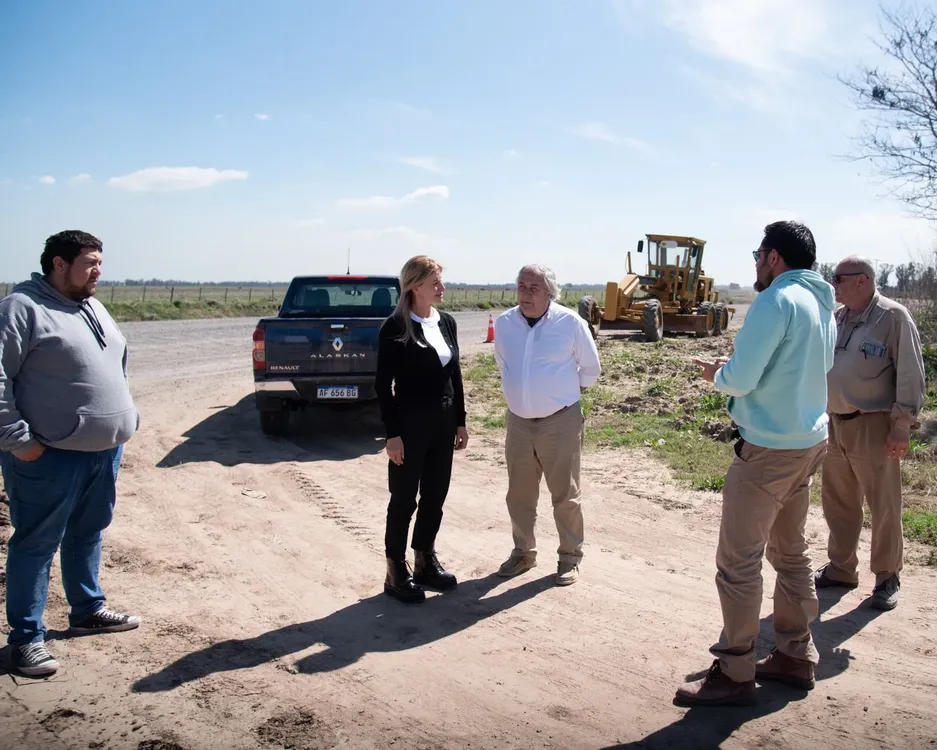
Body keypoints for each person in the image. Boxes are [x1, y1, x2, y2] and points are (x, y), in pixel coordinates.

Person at [679, 221, 837, 706]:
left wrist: (717, 375)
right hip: (807, 441)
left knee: (738, 562)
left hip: (767, 449)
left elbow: (743, 377)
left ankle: (734, 669)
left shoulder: (775, 301)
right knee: (791, 552)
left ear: (773, 257)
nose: (754, 263)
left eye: (757, 254)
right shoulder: (821, 304)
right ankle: (793, 653)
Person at [0, 230, 141, 678]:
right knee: (36, 543)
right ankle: (26, 639)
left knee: (87, 533)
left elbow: (115, 365)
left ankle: (86, 610)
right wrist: (19, 440)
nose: (99, 271)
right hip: (48, 455)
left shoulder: (93, 305)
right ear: (59, 264)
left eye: (100, 262)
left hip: (102, 453)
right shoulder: (21, 309)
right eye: (91, 263)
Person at [813, 255, 926, 611]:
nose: (834, 285)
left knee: (884, 504)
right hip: (835, 423)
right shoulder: (839, 317)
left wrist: (902, 425)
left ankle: (887, 576)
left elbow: (911, 372)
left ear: (862, 281)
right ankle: (842, 568)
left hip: (874, 425)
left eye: (839, 278)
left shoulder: (893, 317)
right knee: (839, 502)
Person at [492, 264, 601, 586]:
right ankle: (523, 552)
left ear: (550, 292)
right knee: (519, 494)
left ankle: (569, 558)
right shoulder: (505, 323)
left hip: (560, 421)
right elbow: (503, 363)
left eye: (534, 288)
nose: (526, 293)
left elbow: (591, 369)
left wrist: (562, 392)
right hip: (518, 422)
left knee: (565, 494)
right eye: (521, 286)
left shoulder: (570, 323)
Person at [375, 255, 469, 604]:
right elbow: (384, 386)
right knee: (403, 499)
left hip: (443, 423)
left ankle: (425, 559)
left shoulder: (446, 322)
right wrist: (392, 434)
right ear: (416, 286)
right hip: (410, 425)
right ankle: (396, 569)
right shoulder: (395, 327)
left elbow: (455, 376)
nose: (442, 288)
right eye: (436, 283)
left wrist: (460, 420)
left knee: (435, 495)